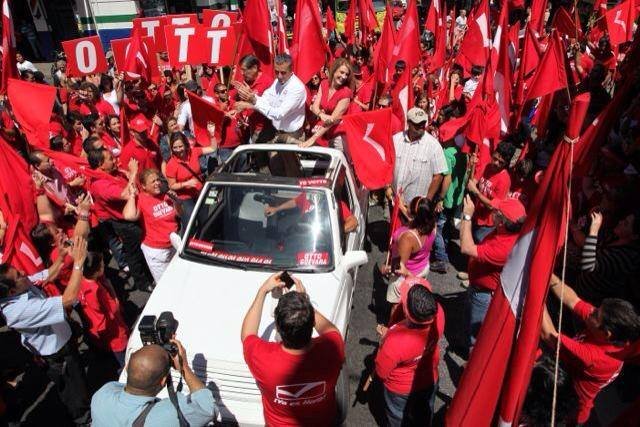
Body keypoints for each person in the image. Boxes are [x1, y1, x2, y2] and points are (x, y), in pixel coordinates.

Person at [0, 235, 91, 425]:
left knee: (79, 381)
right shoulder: (17, 311)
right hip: (57, 355)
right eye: (19, 275)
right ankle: (83, 419)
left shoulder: (22, 287)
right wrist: (78, 264)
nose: (24, 273)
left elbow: (46, 275)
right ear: (11, 293)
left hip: (63, 340)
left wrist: (62, 255)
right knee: (73, 393)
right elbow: (67, 299)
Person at [241, 273, 345, 426]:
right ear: (312, 323)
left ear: (277, 326)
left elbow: (247, 334)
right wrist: (305, 303)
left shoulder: (263, 359)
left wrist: (262, 291)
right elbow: (331, 330)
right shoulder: (333, 347)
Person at [540, 276, 640, 425]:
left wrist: (534, 288)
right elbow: (573, 300)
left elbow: (548, 334)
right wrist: (547, 275)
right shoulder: (613, 336)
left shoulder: (594, 359)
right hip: (562, 388)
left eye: (596, 314)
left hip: (564, 412)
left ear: (606, 334)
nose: (591, 311)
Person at [91, 339, 218, 427]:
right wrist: (183, 367)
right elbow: (209, 408)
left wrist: (146, 355)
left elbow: (127, 383)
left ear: (128, 365)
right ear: (163, 381)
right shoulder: (166, 416)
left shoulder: (102, 394)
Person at [375, 277, 444, 426]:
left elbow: (381, 372)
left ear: (407, 312)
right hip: (429, 378)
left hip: (399, 389)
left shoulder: (394, 339)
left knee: (397, 417)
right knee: (424, 413)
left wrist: (384, 340)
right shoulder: (439, 315)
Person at [460, 195, 526, 349]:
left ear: (502, 221)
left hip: (483, 294)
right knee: (467, 323)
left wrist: (467, 215)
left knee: (476, 337)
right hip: (478, 288)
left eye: (496, 212)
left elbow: (466, 248)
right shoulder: (504, 232)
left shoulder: (506, 247)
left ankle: (470, 365)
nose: (493, 212)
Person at [88, 149, 154, 292]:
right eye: (111, 159)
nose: (115, 161)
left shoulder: (114, 173)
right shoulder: (99, 184)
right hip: (125, 224)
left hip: (135, 215)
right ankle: (143, 283)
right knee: (135, 254)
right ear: (101, 164)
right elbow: (125, 194)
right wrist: (134, 172)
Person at [386, 107, 448, 218]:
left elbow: (438, 175)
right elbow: (387, 165)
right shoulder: (395, 140)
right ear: (408, 123)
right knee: (396, 233)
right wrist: (388, 187)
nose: (421, 126)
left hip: (417, 208)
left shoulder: (433, 145)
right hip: (395, 202)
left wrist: (426, 201)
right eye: (417, 124)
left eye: (423, 123)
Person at [233, 53, 307, 143]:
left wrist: (253, 100)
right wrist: (252, 96)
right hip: (277, 133)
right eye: (276, 72)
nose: (279, 76)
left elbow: (279, 114)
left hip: (292, 135)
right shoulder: (277, 83)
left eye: (283, 73)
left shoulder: (296, 88)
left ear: (291, 70)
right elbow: (265, 100)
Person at [123, 169, 179, 283]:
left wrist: (176, 201)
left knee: (178, 277)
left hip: (173, 245)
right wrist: (132, 196)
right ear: (143, 186)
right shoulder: (141, 199)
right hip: (156, 252)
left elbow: (179, 214)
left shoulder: (166, 195)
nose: (157, 183)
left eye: (158, 180)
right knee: (165, 284)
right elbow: (128, 215)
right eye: (153, 181)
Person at [77, 251, 129, 368]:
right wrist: (115, 299)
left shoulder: (81, 280)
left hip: (97, 329)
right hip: (113, 330)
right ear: (96, 271)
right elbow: (112, 310)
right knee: (123, 356)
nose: (104, 266)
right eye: (102, 265)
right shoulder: (95, 290)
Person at [381, 197, 437, 306]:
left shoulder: (408, 237)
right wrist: (401, 207)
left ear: (415, 215)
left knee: (397, 306)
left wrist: (386, 268)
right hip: (422, 268)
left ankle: (393, 323)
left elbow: (399, 267)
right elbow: (414, 220)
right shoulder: (432, 224)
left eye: (409, 207)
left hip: (406, 276)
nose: (407, 206)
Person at [164, 130, 217, 231]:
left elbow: (212, 148)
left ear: (185, 144)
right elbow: (172, 186)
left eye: (180, 146)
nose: (178, 150)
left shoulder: (194, 152)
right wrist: (186, 183)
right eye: (175, 147)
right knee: (190, 224)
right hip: (184, 197)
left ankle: (202, 240)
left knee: (205, 219)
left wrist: (212, 135)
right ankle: (187, 243)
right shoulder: (171, 164)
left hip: (199, 191)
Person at [466, 140, 515, 242]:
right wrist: (471, 167)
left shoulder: (504, 180)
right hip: (476, 216)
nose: (496, 163)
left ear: (506, 163)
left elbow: (492, 206)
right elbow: (472, 183)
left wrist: (476, 192)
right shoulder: (487, 166)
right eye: (495, 158)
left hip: (487, 225)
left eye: (501, 162)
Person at [303, 58, 354, 148]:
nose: (344, 77)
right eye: (341, 72)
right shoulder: (324, 84)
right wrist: (321, 115)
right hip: (323, 132)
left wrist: (313, 138)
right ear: (334, 70)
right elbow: (315, 107)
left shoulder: (346, 93)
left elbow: (332, 120)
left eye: (346, 74)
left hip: (338, 136)